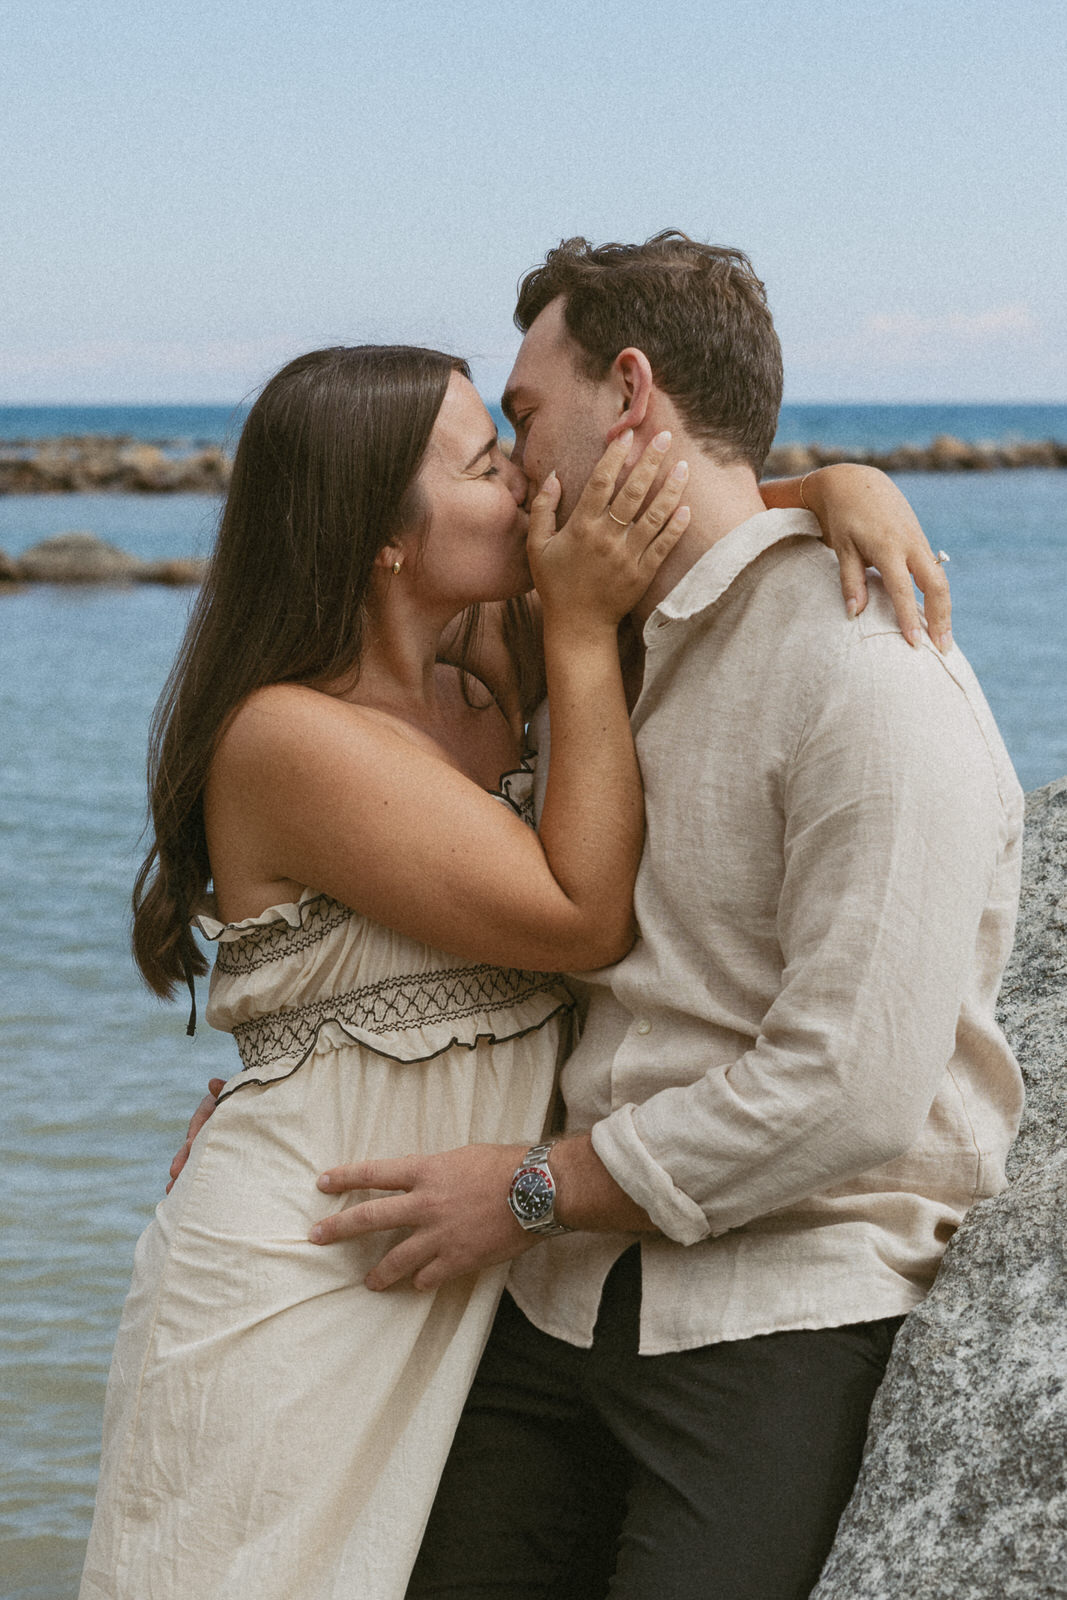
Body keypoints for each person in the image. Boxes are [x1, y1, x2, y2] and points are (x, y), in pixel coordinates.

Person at [304, 235, 1025, 1600]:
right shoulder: (595, 633)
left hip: (774, 1306)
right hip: (560, 1296)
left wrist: (524, 1191)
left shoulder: (863, 673)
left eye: (522, 417)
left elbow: (848, 1090)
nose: (510, 469)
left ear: (626, 393)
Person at [79, 343, 695, 1599]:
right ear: (379, 537)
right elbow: (579, 915)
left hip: (450, 1270)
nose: (528, 481)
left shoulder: (484, 667)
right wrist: (578, 635)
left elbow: (684, 519)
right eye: (484, 461)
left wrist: (844, 491)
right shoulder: (287, 735)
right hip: (300, 1272)